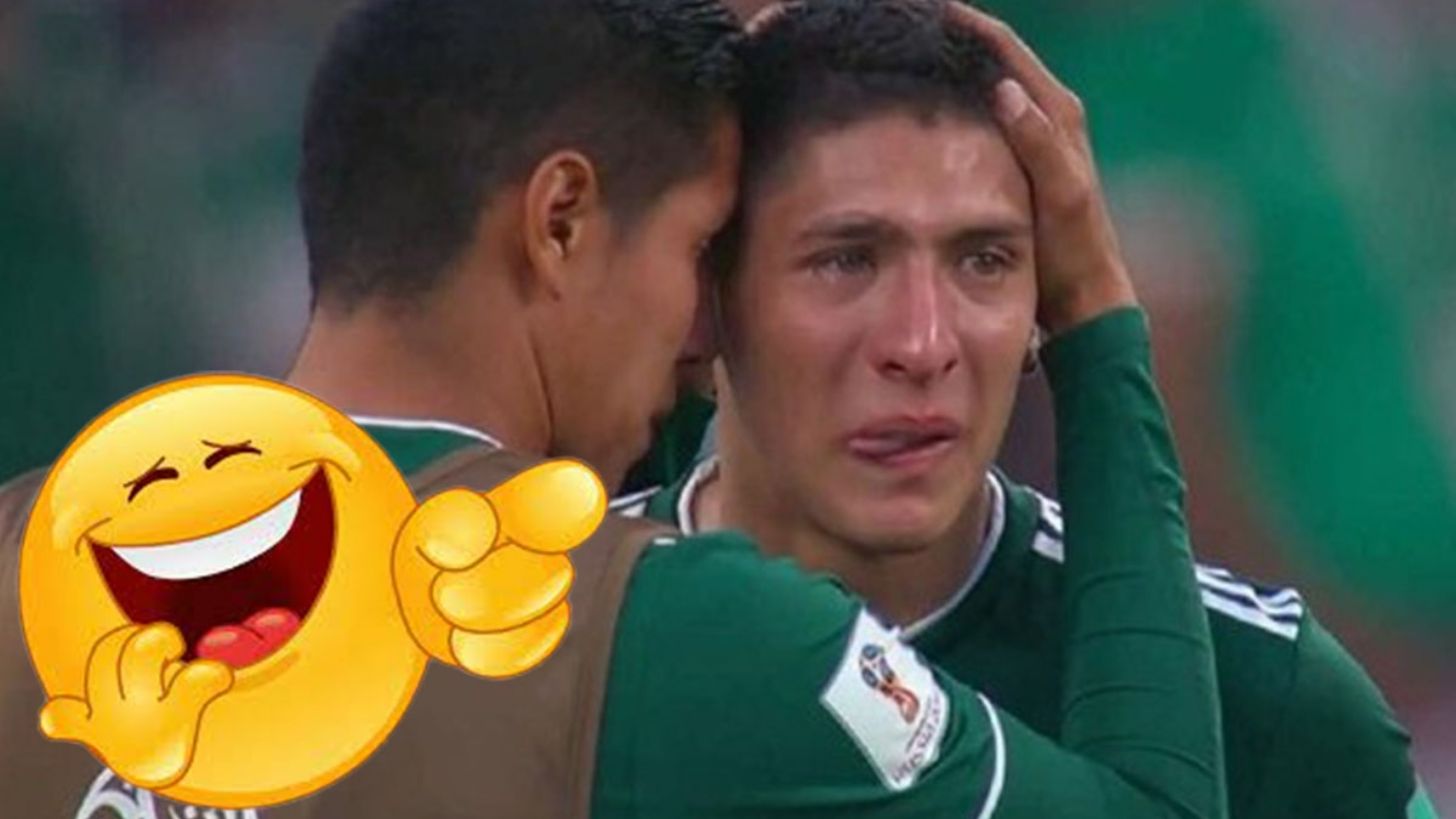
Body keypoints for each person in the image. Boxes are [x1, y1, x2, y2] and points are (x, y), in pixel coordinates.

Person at [2, 0, 1226, 816]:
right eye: (696, 249)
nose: (703, 335)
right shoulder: (668, 628)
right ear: (560, 222)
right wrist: (1095, 322)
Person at [637, 2, 1438, 817]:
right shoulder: (576, 630)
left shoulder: (1265, 692)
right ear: (708, 288)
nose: (922, 342)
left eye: (984, 260)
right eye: (846, 260)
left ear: (1046, 301)